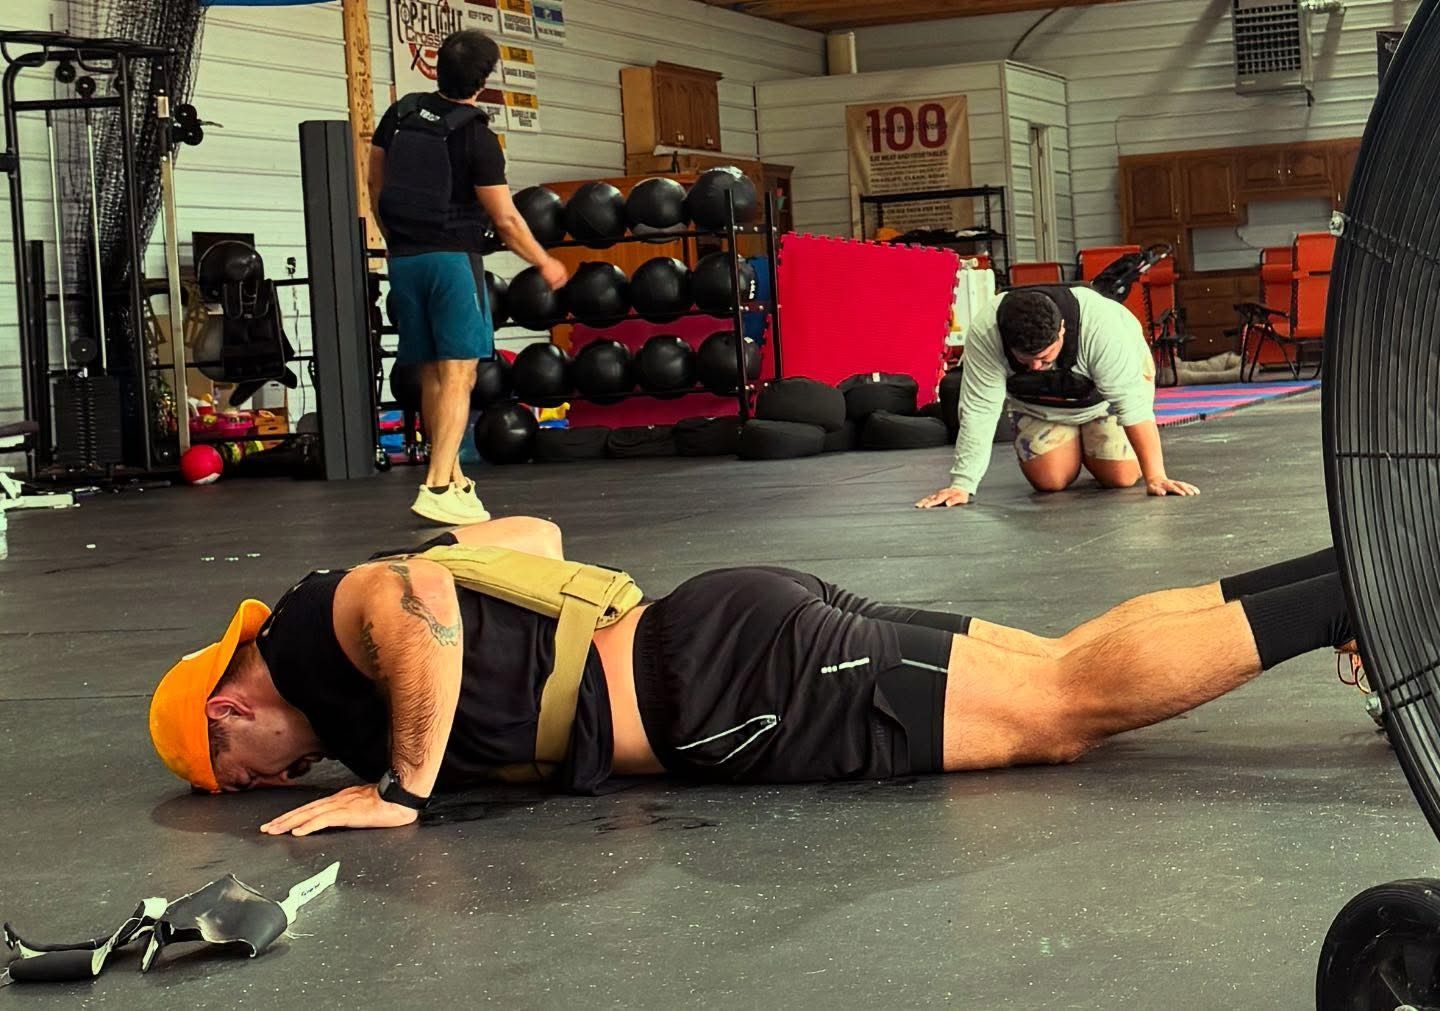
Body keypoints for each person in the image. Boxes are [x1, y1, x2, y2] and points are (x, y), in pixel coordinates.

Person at [148, 518, 1356, 837]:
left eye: (240, 774)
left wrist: (402, 789)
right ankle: (1362, 565)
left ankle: (1360, 592)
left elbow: (412, 609)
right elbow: (532, 540)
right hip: (724, 625)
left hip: (725, 683)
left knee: (1060, 709)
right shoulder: (330, 635)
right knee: (1062, 661)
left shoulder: (320, 623)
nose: (275, 781)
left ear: (228, 709)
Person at [369, 29, 568, 526]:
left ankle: (453, 476)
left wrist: (395, 238)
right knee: (461, 372)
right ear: (483, 80)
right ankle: (437, 486)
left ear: (435, 68)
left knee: (437, 371)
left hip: (404, 259)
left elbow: (376, 181)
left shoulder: (400, 114)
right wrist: (544, 263)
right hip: (452, 260)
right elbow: (505, 219)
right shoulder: (478, 136)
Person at [916, 286, 1199, 509]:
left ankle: (1095, 435)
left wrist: (1156, 477)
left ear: (1061, 330)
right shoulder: (986, 333)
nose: (1036, 367)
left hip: (1103, 402)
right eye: (1025, 361)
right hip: (1041, 405)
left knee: (1120, 478)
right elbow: (980, 409)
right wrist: (962, 484)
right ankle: (1069, 438)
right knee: (1050, 481)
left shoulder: (1102, 328)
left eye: (1043, 357)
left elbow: (1132, 407)